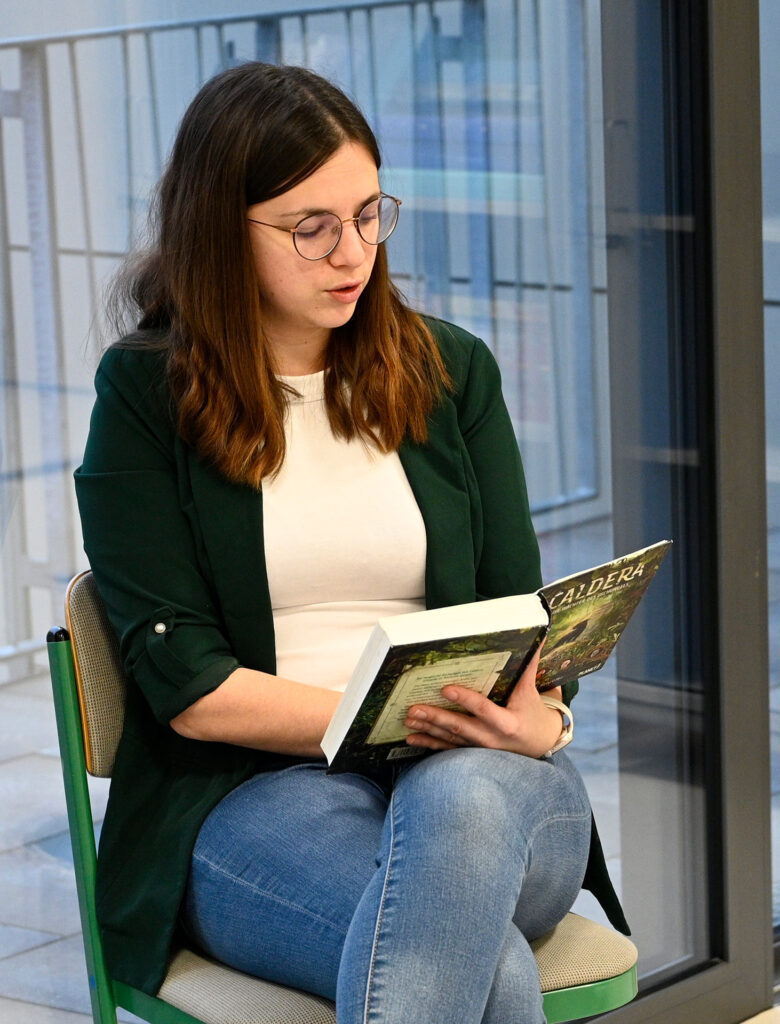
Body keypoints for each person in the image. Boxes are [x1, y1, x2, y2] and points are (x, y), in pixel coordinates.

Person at [75, 62, 628, 1024]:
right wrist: (394, 718)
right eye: (312, 227)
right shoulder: (145, 399)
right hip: (256, 794)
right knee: (479, 961)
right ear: (220, 230)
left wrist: (542, 726)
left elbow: (520, 620)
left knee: (461, 808)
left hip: (491, 785)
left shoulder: (451, 372)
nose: (353, 253)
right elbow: (192, 690)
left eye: (370, 215)